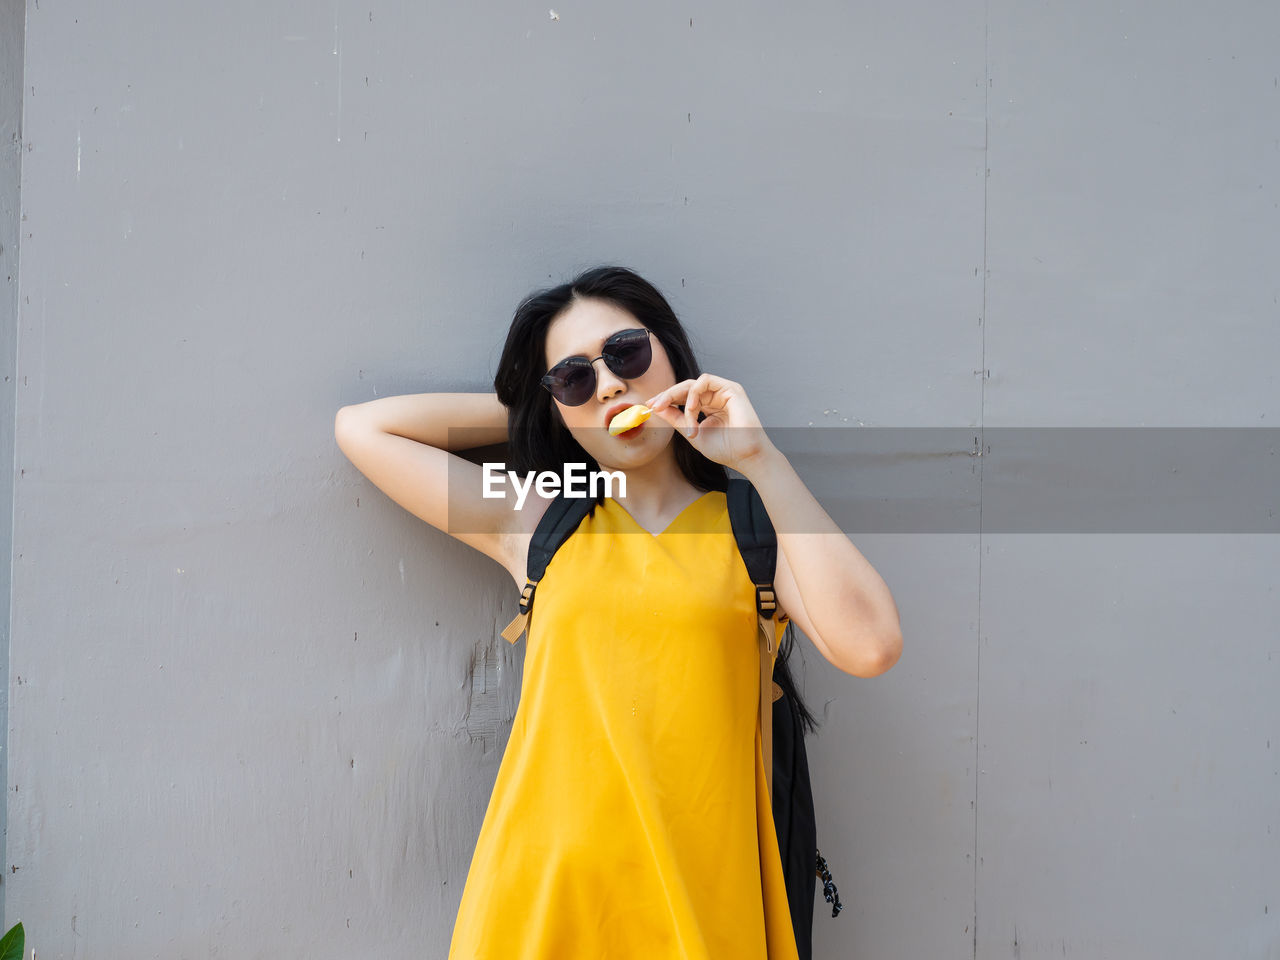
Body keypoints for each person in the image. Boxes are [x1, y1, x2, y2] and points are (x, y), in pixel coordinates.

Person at [333, 265, 903, 959]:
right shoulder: (541, 520)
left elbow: (870, 646)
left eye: (626, 354)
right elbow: (364, 430)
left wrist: (761, 458)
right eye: (574, 376)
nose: (609, 384)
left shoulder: (753, 526)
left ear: (670, 353)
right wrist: (541, 407)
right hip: (545, 902)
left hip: (703, 903)